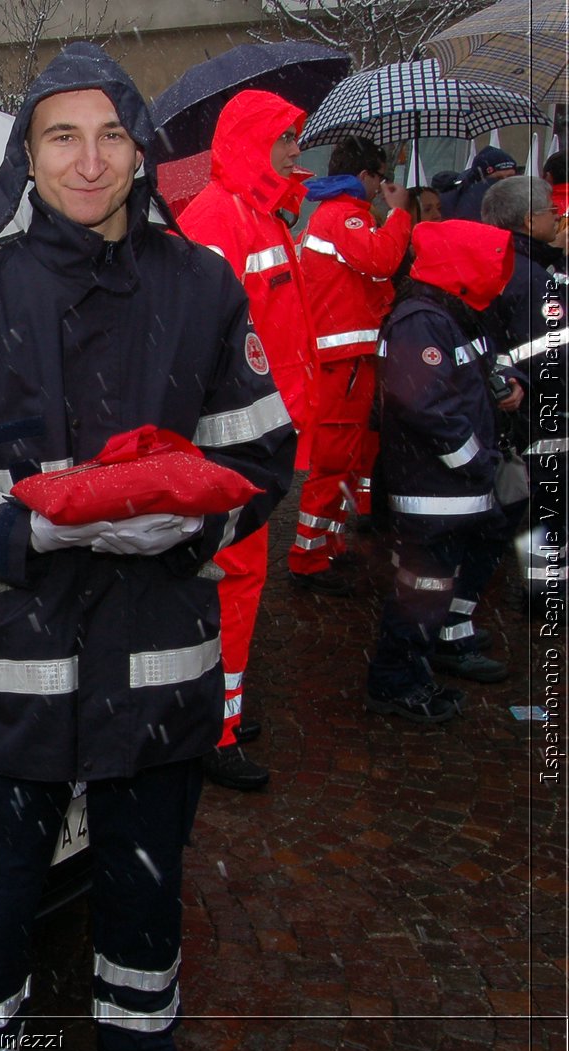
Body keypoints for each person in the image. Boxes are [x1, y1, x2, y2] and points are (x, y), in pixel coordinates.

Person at [0, 43, 295, 1051]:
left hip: (155, 685)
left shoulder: (202, 287)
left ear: (142, 152)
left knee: (145, 939)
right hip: (13, 686)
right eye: (64, 136)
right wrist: (32, 525)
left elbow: (264, 455)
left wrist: (191, 521)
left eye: (111, 135)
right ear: (30, 152)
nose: (90, 160)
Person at [177, 88, 318, 791]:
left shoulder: (261, 215)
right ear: (255, 141)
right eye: (288, 137)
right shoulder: (219, 219)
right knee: (231, 581)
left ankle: (222, 712)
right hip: (230, 446)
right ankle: (214, 727)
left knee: (240, 581)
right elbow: (203, 346)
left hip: (257, 438)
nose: (297, 149)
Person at [367, 219, 519, 719]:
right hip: (434, 492)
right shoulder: (422, 321)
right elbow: (424, 406)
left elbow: (479, 368)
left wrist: (507, 384)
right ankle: (395, 681)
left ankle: (420, 663)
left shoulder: (453, 314)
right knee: (421, 590)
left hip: (458, 489)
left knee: (437, 585)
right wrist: (475, 460)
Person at [292, 136, 412, 590]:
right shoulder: (343, 215)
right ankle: (307, 559)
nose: (383, 185)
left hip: (346, 358)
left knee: (348, 456)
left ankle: (326, 545)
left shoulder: (335, 216)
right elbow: (381, 262)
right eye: (380, 177)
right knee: (335, 459)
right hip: (343, 360)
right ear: (364, 176)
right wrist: (399, 215)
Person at [483, 175, 566, 616]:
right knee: (548, 500)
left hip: (516, 400)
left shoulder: (500, 260)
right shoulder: (532, 276)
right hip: (541, 407)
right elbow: (549, 350)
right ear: (530, 220)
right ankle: (544, 592)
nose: (558, 215)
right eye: (552, 209)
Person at [441, 146, 519, 222]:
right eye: (497, 178)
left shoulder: (519, 200)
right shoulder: (459, 203)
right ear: (481, 179)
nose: (504, 183)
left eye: (510, 177)